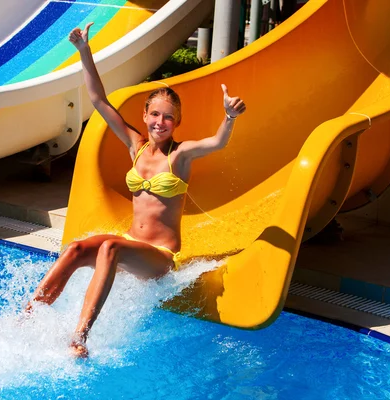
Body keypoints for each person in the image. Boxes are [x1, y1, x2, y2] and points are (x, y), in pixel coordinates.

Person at [27, 23, 246, 358]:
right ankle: (26, 317)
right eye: (155, 114)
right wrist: (84, 51)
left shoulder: (181, 155)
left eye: (169, 117)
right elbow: (99, 100)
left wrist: (229, 117)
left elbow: (217, 142)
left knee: (110, 248)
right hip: (131, 243)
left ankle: (80, 338)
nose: (160, 121)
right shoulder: (136, 146)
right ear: (144, 115)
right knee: (75, 248)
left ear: (177, 122)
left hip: (159, 256)